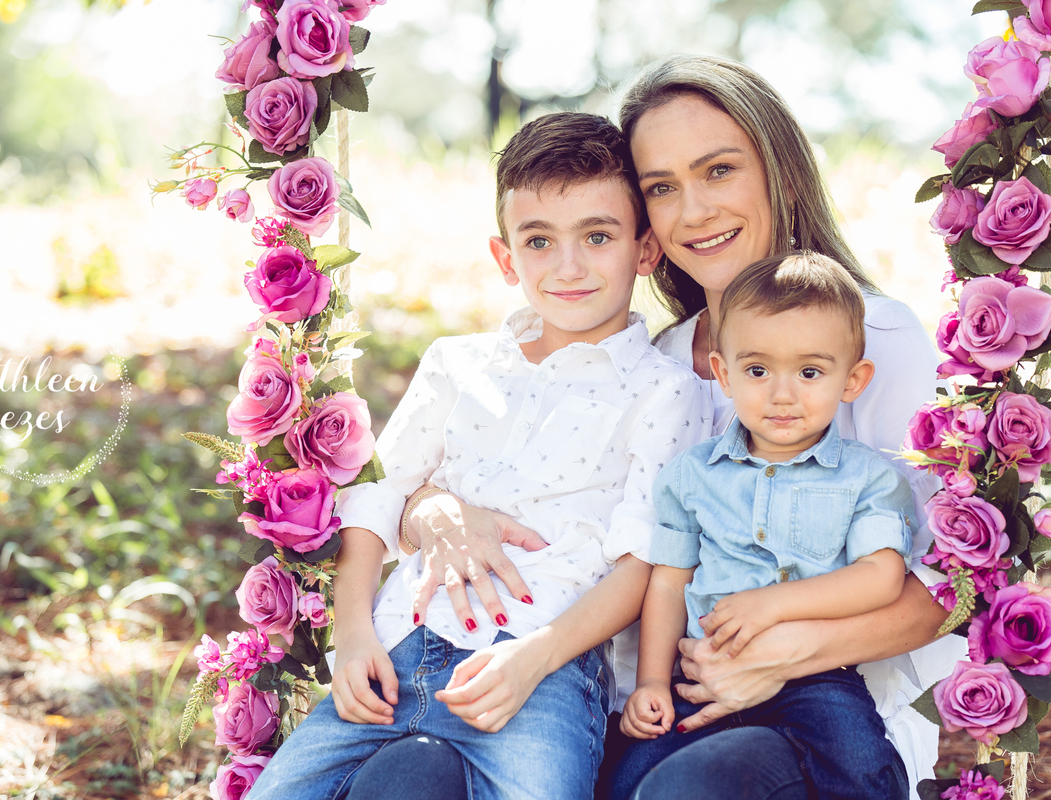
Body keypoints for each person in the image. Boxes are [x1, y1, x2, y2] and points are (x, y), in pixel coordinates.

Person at [399, 55, 966, 800]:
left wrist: (789, 652)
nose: (693, 211)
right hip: (659, 699)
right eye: (661, 188)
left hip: (830, 704)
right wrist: (431, 505)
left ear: (779, 171)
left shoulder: (875, 339)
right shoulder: (656, 364)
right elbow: (561, 512)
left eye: (718, 170)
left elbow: (953, 581)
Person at [246, 112, 711, 800]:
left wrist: (536, 659)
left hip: (544, 668)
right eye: (539, 241)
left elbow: (643, 560)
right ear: (505, 257)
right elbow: (376, 498)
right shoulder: (456, 363)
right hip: (398, 648)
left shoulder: (665, 391)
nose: (569, 266)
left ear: (645, 249)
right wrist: (353, 635)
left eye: (598, 236)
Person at [616, 252, 914, 800]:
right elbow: (669, 582)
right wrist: (652, 681)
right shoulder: (691, 475)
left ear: (852, 380)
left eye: (809, 372)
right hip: (700, 673)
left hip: (814, 676)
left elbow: (881, 577)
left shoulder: (867, 478)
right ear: (724, 374)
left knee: (859, 764)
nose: (782, 394)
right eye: (757, 371)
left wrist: (772, 605)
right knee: (629, 775)